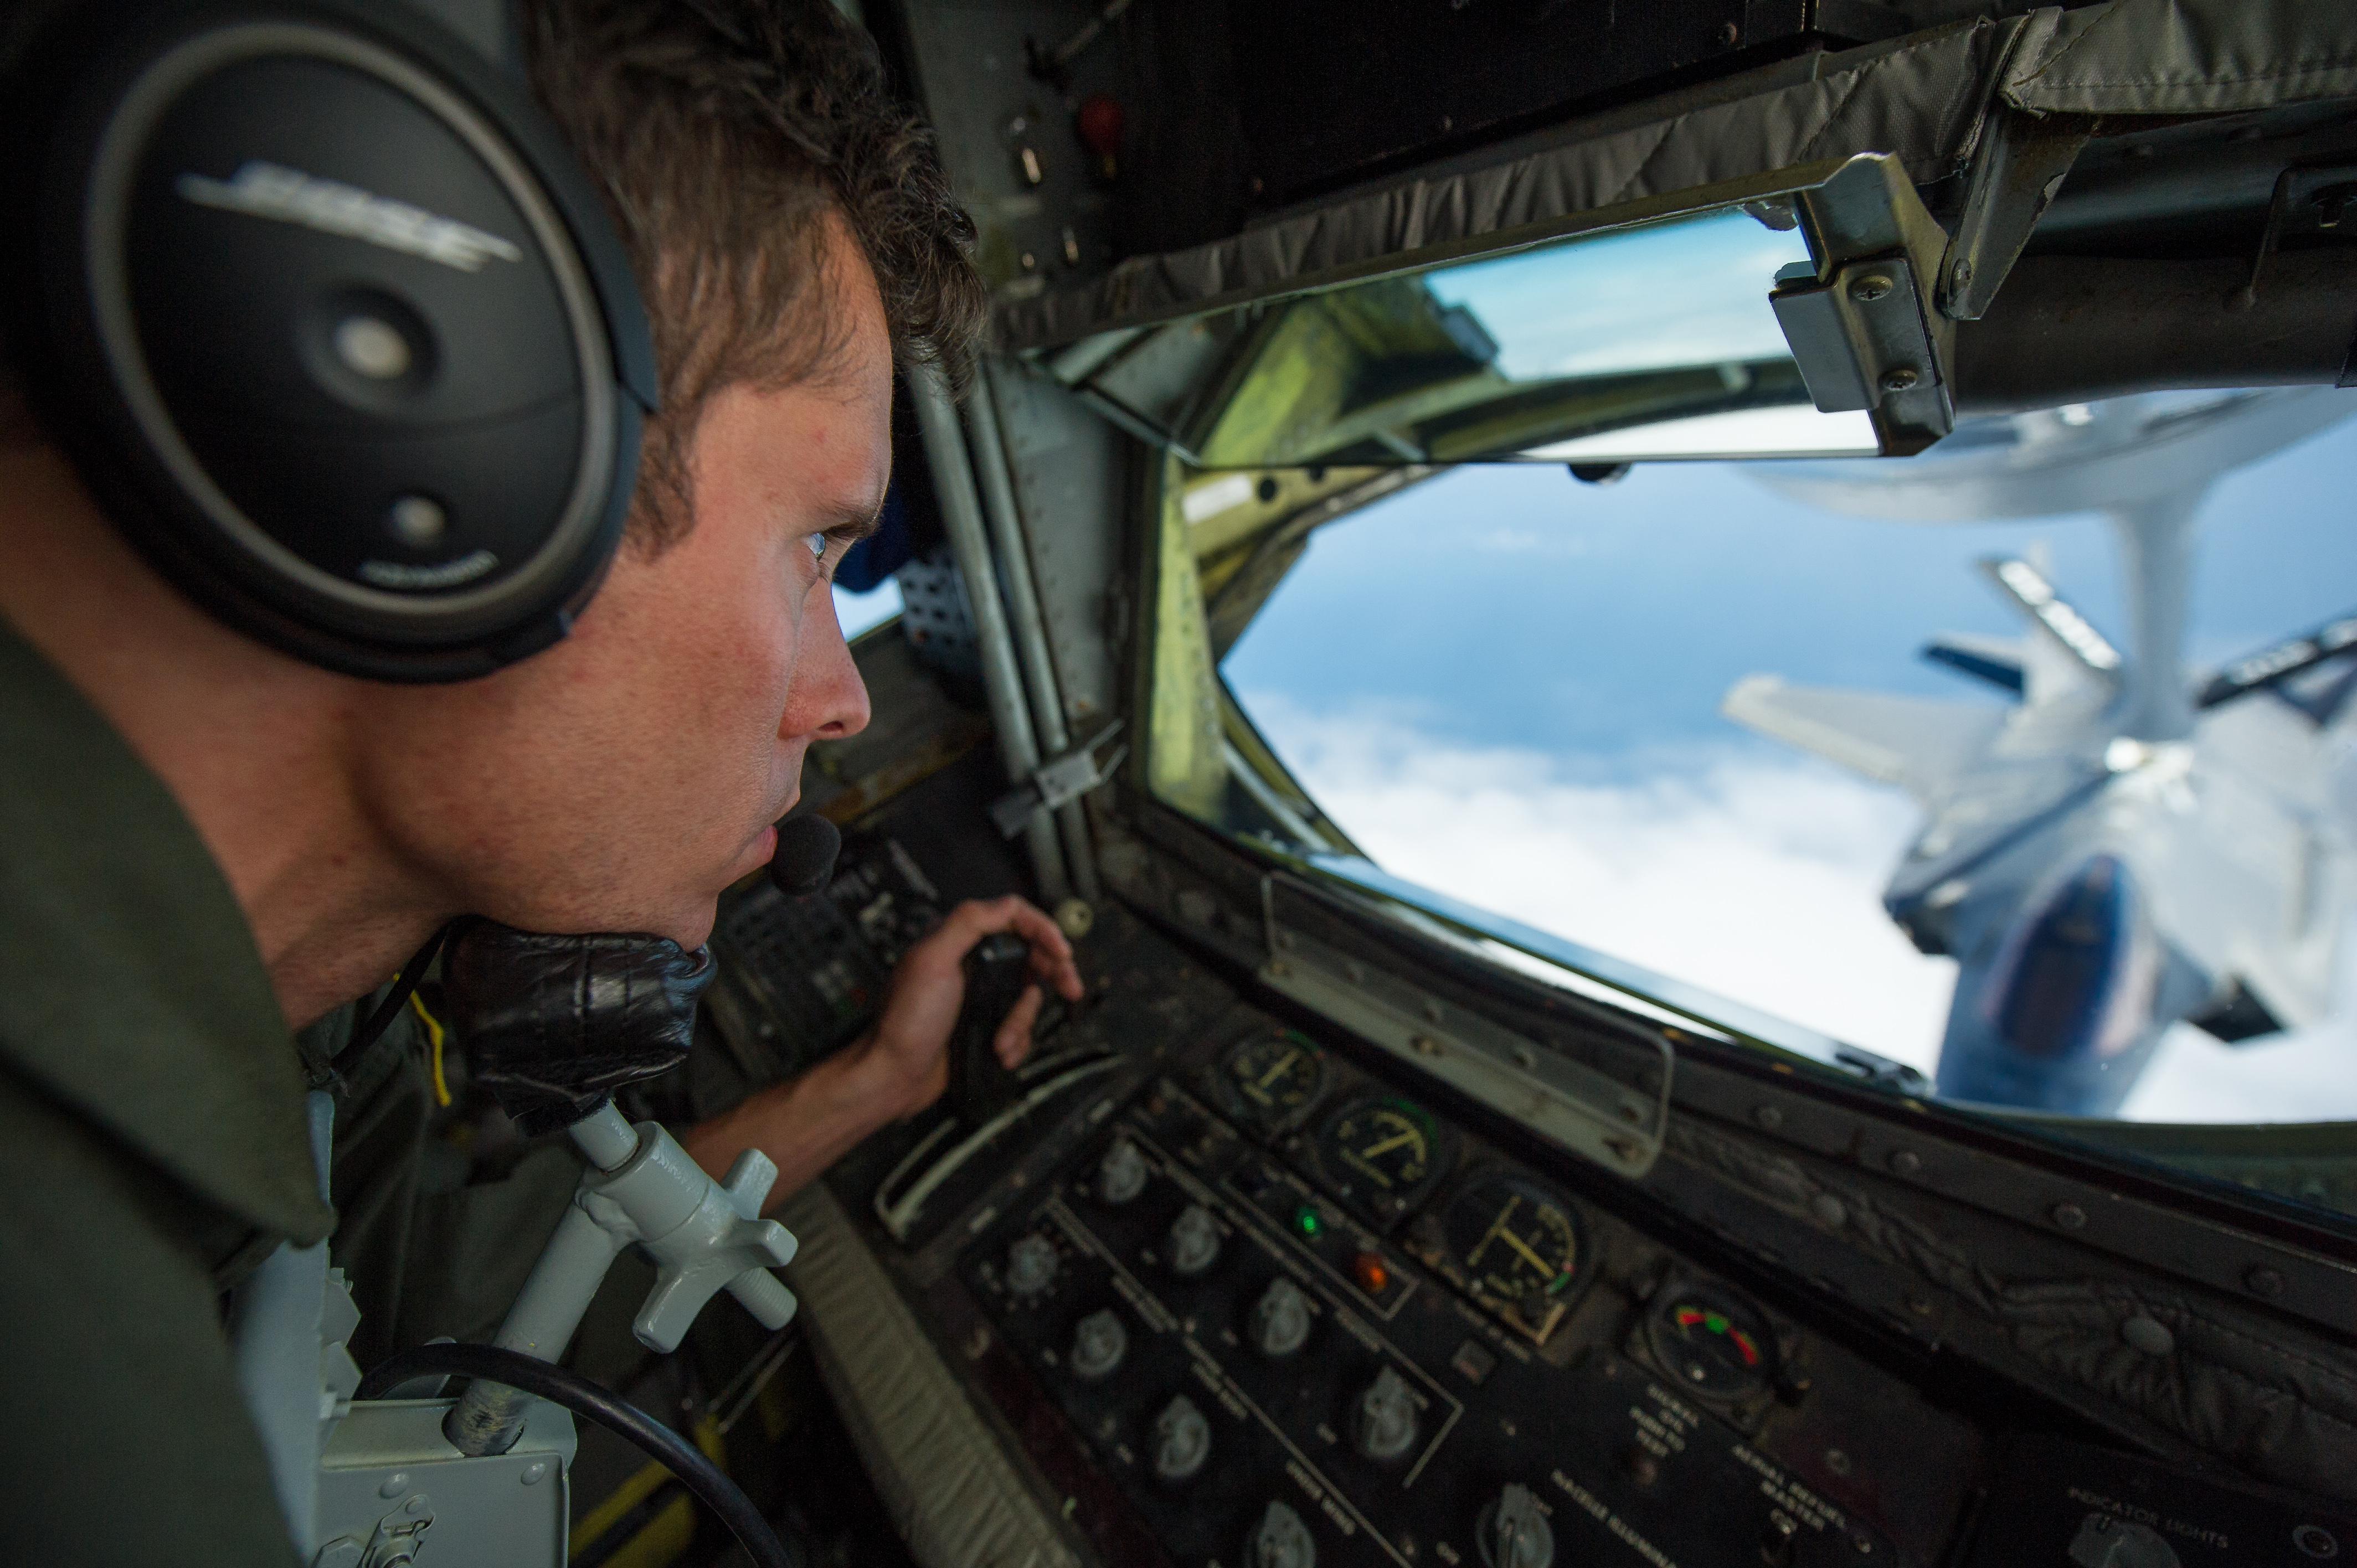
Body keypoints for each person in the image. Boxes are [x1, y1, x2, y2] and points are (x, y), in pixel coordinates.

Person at [0, 0, 1079, 1560]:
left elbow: (403, 1296)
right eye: (818, 548)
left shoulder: (281, 1025)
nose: (844, 698)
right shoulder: (82, 1450)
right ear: (442, 417)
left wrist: (869, 1085)